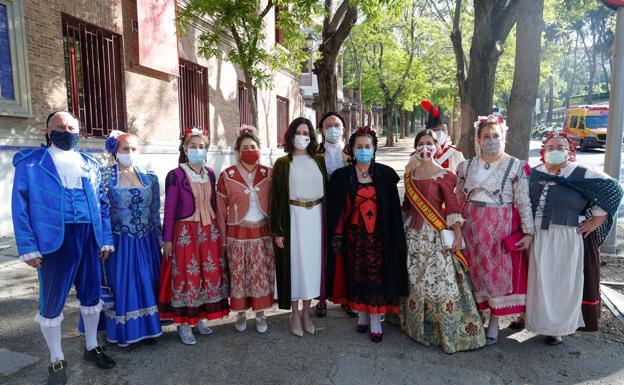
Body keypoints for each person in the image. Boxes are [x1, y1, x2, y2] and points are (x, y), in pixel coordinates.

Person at [11, 111, 116, 385]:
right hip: (53, 240)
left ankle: (92, 346)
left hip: (89, 237)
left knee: (92, 295)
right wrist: (28, 246)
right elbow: (20, 206)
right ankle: (56, 358)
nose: (66, 131)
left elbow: (102, 205)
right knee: (52, 300)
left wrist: (105, 238)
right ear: (48, 131)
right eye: (60, 127)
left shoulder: (90, 163)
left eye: (71, 127)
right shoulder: (31, 164)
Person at [526, 133, 623, 345]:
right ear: (543, 151)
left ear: (570, 150)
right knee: (536, 281)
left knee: (561, 282)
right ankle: (535, 320)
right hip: (536, 235)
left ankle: (557, 329)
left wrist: (595, 222)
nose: (554, 150)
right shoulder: (534, 173)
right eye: (550, 147)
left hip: (566, 235)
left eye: (560, 146)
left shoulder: (582, 174)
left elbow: (613, 191)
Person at [400, 130, 485, 353]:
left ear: (437, 147)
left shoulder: (446, 175)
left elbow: (453, 208)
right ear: (416, 147)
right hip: (413, 235)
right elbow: (407, 207)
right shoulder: (409, 174)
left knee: (441, 281)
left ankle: (445, 330)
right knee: (416, 280)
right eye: (421, 143)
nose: (425, 147)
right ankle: (418, 327)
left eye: (430, 143)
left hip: (436, 235)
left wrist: (457, 234)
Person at [456, 115, 535, 345]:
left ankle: (494, 321)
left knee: (495, 274)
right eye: (486, 136)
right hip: (471, 224)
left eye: (495, 136)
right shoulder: (466, 165)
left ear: (504, 138)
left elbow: (523, 202)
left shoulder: (516, 166)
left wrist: (528, 233)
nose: (491, 140)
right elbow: (458, 196)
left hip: (500, 225)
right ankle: (476, 314)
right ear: (478, 139)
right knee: (474, 271)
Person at [325, 126, 408, 343]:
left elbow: (392, 212)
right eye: (359, 147)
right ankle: (361, 314)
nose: (363, 150)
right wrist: (338, 234)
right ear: (351, 150)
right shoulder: (342, 177)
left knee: (376, 278)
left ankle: (375, 320)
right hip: (354, 238)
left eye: (367, 146)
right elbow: (338, 210)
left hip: (379, 238)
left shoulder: (386, 175)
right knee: (356, 276)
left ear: (373, 149)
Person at [90, 131, 163, 347]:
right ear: (115, 150)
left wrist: (159, 238)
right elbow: (99, 211)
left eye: (133, 149)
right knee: (124, 285)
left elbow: (154, 210)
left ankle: (150, 329)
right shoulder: (103, 176)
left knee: (147, 281)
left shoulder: (149, 177)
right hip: (120, 242)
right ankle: (126, 332)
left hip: (146, 240)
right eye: (124, 149)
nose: (129, 153)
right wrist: (103, 240)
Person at [158, 128, 230, 345]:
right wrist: (167, 239)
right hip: (185, 233)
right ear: (184, 149)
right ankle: (183, 324)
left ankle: (199, 318)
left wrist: (220, 233)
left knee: (205, 275)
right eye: (193, 146)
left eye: (201, 147)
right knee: (187, 276)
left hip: (209, 232)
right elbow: (169, 210)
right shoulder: (176, 175)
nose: (197, 150)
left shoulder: (209, 173)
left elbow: (213, 205)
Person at [270, 117, 328, 337]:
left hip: (315, 219)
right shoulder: (283, 164)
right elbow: (275, 199)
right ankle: (293, 313)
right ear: (291, 135)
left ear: (312, 137)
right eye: (299, 132)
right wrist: (278, 231)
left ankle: (306, 312)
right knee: (294, 266)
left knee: (311, 267)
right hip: (293, 218)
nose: (303, 137)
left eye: (307, 133)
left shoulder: (318, 161)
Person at [216, 125, 275, 333]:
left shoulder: (268, 174)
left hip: (262, 231)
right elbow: (221, 211)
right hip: (237, 232)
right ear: (238, 151)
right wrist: (223, 240)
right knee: (239, 274)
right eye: (245, 147)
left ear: (258, 148)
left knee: (260, 274)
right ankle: (240, 313)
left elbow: (276, 206)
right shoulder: (227, 175)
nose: (250, 150)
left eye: (253, 146)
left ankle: (260, 314)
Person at [315, 111, 355, 318]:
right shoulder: (314, 153)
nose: (333, 129)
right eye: (328, 125)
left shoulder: (352, 153)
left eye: (337, 125)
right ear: (321, 130)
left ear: (344, 129)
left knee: (346, 252)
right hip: (320, 208)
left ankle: (346, 299)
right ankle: (321, 297)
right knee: (322, 253)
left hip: (347, 209)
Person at [405, 100, 464, 173]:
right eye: (435, 130)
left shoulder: (455, 153)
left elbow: (464, 176)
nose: (440, 133)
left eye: (443, 129)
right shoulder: (417, 155)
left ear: (447, 131)